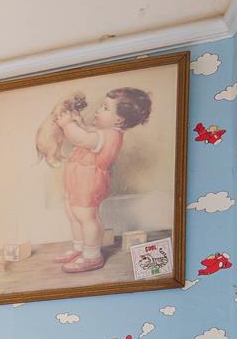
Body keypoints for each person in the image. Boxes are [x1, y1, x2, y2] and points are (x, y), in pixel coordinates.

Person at [34, 84, 153, 274]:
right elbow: (86, 133)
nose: (98, 110)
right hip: (77, 182)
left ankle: (92, 255)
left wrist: (67, 125)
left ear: (119, 120)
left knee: (86, 217)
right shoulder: (103, 132)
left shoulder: (111, 135)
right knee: (73, 215)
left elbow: (81, 139)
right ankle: (79, 247)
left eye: (105, 108)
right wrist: (77, 122)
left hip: (89, 183)